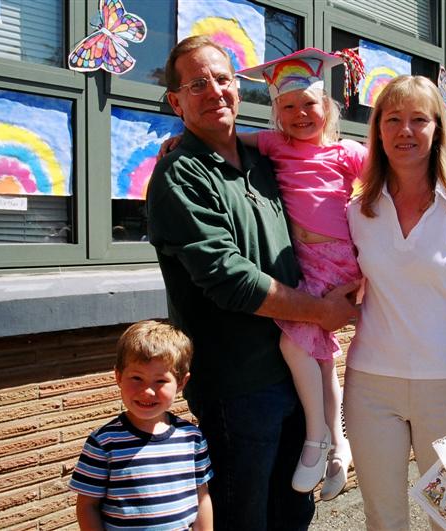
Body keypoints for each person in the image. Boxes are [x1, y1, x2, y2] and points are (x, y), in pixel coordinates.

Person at [146, 36, 359, 530]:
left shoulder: (267, 162)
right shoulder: (181, 175)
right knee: (245, 518)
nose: (214, 91)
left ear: (239, 91)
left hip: (293, 371)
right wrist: (322, 311)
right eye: (197, 85)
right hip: (239, 387)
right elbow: (229, 279)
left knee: (293, 515)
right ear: (176, 102)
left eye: (223, 79)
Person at [344, 74, 446, 530]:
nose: (405, 130)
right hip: (371, 387)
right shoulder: (356, 212)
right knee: (383, 518)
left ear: (438, 130)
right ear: (378, 131)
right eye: (392, 119)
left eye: (419, 119)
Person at [69, 320, 213, 531]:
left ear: (181, 383)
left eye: (160, 381)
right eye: (137, 378)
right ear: (118, 376)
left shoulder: (192, 438)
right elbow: (87, 506)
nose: (147, 391)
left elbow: (202, 496)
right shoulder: (103, 443)